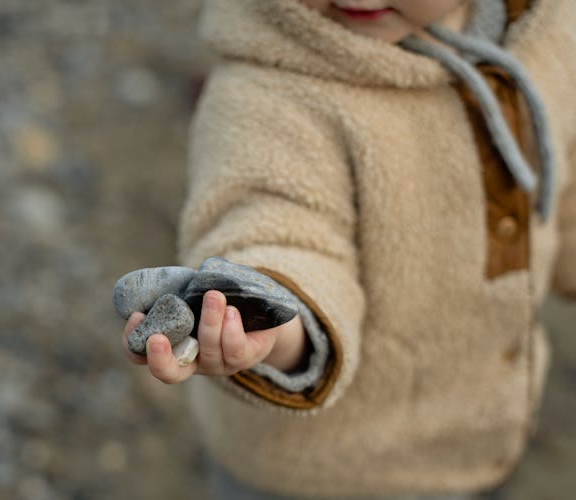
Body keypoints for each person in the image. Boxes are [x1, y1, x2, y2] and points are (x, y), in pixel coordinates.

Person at [119, 0, 576, 498]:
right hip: (316, 473)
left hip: (482, 435)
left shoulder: (547, 32)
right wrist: (268, 322)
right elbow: (280, 228)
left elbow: (565, 170)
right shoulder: (268, 90)